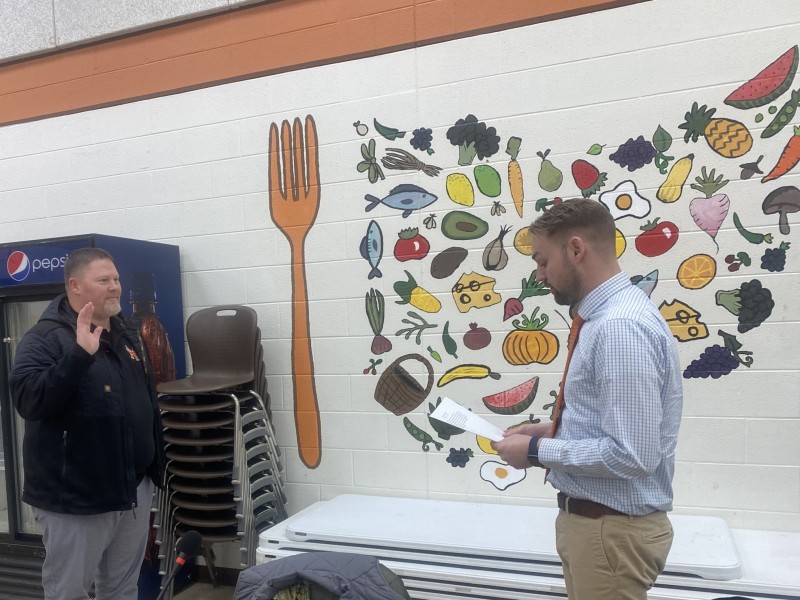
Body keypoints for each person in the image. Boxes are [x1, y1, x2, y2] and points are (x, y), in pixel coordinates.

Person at [493, 198, 683, 600]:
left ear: (576, 249)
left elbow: (632, 454)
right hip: (602, 530)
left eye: (543, 261)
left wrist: (537, 449)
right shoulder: (611, 318)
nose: (540, 276)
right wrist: (553, 428)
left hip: (609, 531)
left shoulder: (618, 328)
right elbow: (617, 425)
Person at [10, 247, 165, 600]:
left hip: (132, 490)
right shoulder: (45, 337)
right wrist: (78, 356)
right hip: (76, 498)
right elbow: (28, 400)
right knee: (70, 592)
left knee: (122, 589)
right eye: (104, 280)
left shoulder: (127, 334)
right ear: (75, 286)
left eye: (116, 279)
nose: (115, 287)